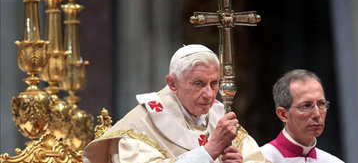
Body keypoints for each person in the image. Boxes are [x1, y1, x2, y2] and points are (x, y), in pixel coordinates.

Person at [83, 44, 268, 163]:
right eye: (199, 84)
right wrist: (209, 151)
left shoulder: (219, 117)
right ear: (172, 84)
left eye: (214, 83)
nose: (209, 94)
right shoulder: (141, 125)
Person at [259, 69, 344, 163]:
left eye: (321, 104)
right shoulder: (260, 159)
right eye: (306, 106)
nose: (317, 114)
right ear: (283, 114)